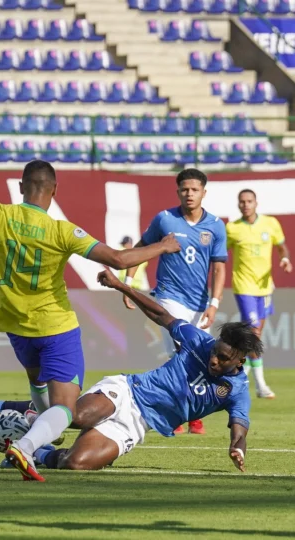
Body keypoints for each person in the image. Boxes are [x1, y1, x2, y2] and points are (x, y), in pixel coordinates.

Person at [0, 160, 180, 482]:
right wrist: (163, 246)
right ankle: (24, 448)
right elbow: (119, 259)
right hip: (55, 328)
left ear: (21, 186)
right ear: (54, 191)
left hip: (15, 326)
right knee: (65, 409)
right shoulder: (62, 231)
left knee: (41, 389)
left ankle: (10, 418)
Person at [31, 270, 256, 474]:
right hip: (128, 392)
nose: (214, 359)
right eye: (215, 352)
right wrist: (122, 286)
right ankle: (27, 414)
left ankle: (38, 453)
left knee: (74, 463)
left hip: (138, 424)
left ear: (240, 361)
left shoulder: (237, 391)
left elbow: (239, 432)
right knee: (77, 417)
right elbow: (160, 315)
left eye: (223, 358)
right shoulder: (198, 340)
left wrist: (238, 449)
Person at [124, 168, 227, 435]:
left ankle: (181, 410)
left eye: (194, 189)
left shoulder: (215, 225)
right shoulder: (165, 219)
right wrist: (129, 282)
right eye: (184, 189)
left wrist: (214, 302)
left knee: (202, 359)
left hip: (199, 303)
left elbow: (218, 268)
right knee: (186, 349)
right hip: (169, 296)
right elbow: (142, 247)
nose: (189, 193)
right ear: (178, 191)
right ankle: (182, 415)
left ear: (204, 192)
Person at [226, 189, 291, 399]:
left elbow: (282, 247)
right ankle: (260, 385)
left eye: (249, 201)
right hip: (244, 287)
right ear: (238, 205)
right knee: (254, 333)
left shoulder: (270, 224)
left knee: (256, 336)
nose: (245, 205)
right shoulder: (232, 228)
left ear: (256, 203)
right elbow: (219, 252)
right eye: (242, 202)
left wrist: (285, 259)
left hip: (264, 289)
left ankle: (241, 373)